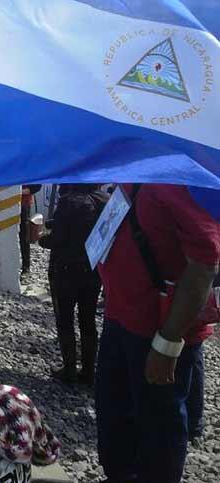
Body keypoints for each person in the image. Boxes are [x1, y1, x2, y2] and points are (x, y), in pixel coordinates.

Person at [95, 184, 219, 483]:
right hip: (119, 317)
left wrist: (168, 342)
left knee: (159, 426)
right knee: (114, 413)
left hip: (155, 333)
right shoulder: (138, 169)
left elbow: (204, 264)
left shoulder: (183, 177)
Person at [39, 184, 109, 385]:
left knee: (65, 319)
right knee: (88, 320)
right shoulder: (104, 200)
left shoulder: (69, 202)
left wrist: (41, 239)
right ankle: (89, 371)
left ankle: (69, 368)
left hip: (66, 269)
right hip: (93, 270)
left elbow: (58, 238)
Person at [20, 184, 42, 276]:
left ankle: (26, 266)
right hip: (7, 205)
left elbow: (37, 185)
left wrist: (22, 192)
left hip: (23, 204)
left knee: (24, 236)